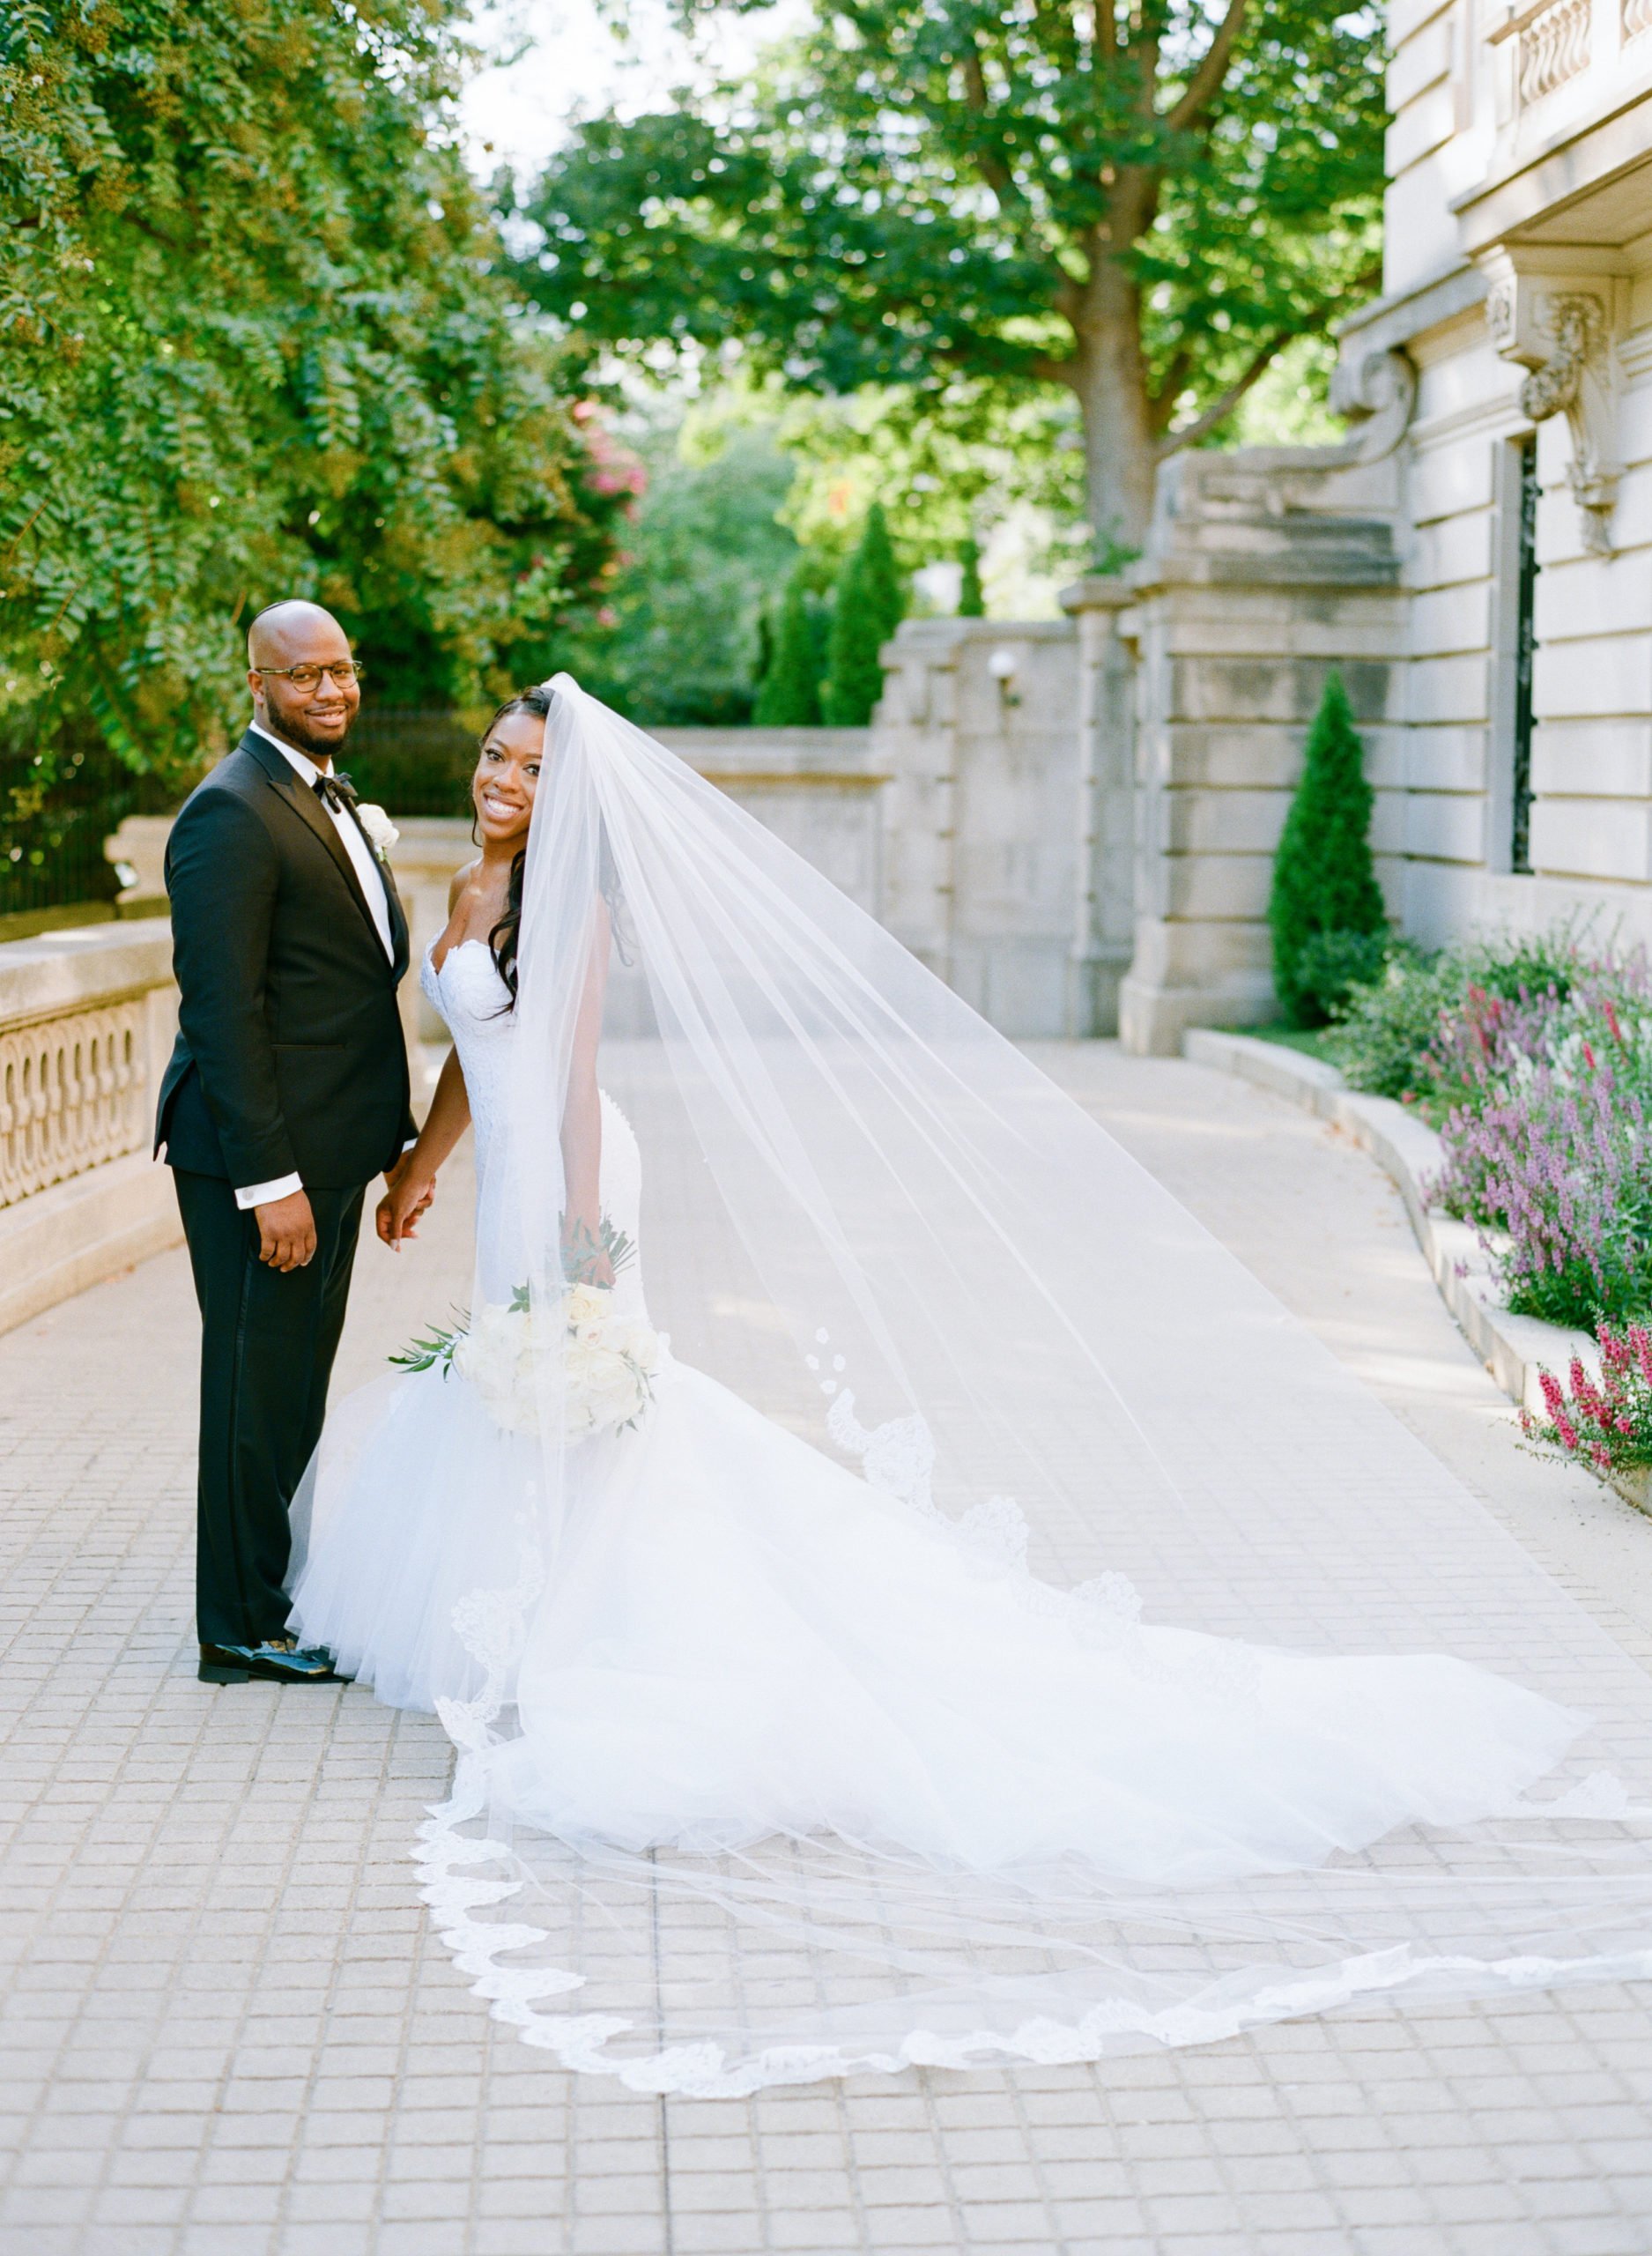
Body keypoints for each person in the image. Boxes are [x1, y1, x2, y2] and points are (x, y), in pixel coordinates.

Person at [287, 676, 1652, 2095]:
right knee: (521, 1393)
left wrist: (580, 1245)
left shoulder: (570, 910)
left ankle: (563, 1627)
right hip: (499, 1167)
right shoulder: (462, 887)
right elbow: (468, 1052)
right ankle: (519, 1604)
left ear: (567, 794)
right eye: (498, 756)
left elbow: (565, 1085)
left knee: (583, 1381)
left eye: (529, 765)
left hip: (567, 1181)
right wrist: (428, 1164)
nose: (504, 777)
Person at [157, 600, 424, 1687]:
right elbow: (224, 1014)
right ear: (257, 682)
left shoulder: (322, 795)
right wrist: (272, 1184)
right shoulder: (230, 811)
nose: (331, 691)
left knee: (292, 1389)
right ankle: (237, 1628)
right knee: (252, 1391)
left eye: (344, 671)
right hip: (260, 1166)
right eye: (304, 675)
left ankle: (276, 1592)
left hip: (331, 1152)